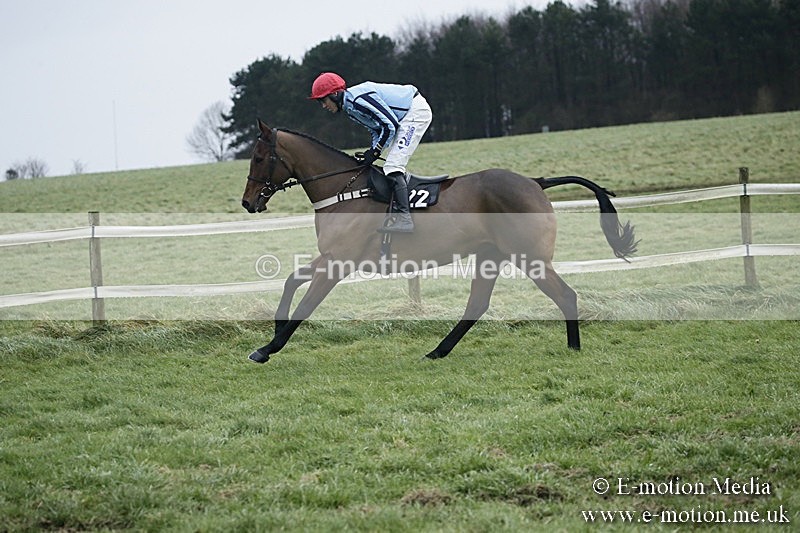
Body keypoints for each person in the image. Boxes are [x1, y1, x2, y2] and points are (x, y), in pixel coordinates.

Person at [309, 72, 432, 233]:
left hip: (415, 112)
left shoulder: (358, 100)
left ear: (335, 94)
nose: (323, 105)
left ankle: (405, 219)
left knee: (393, 166)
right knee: (390, 165)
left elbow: (390, 126)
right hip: (403, 116)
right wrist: (372, 151)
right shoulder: (349, 107)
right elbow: (376, 129)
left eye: (323, 100)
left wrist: (375, 152)